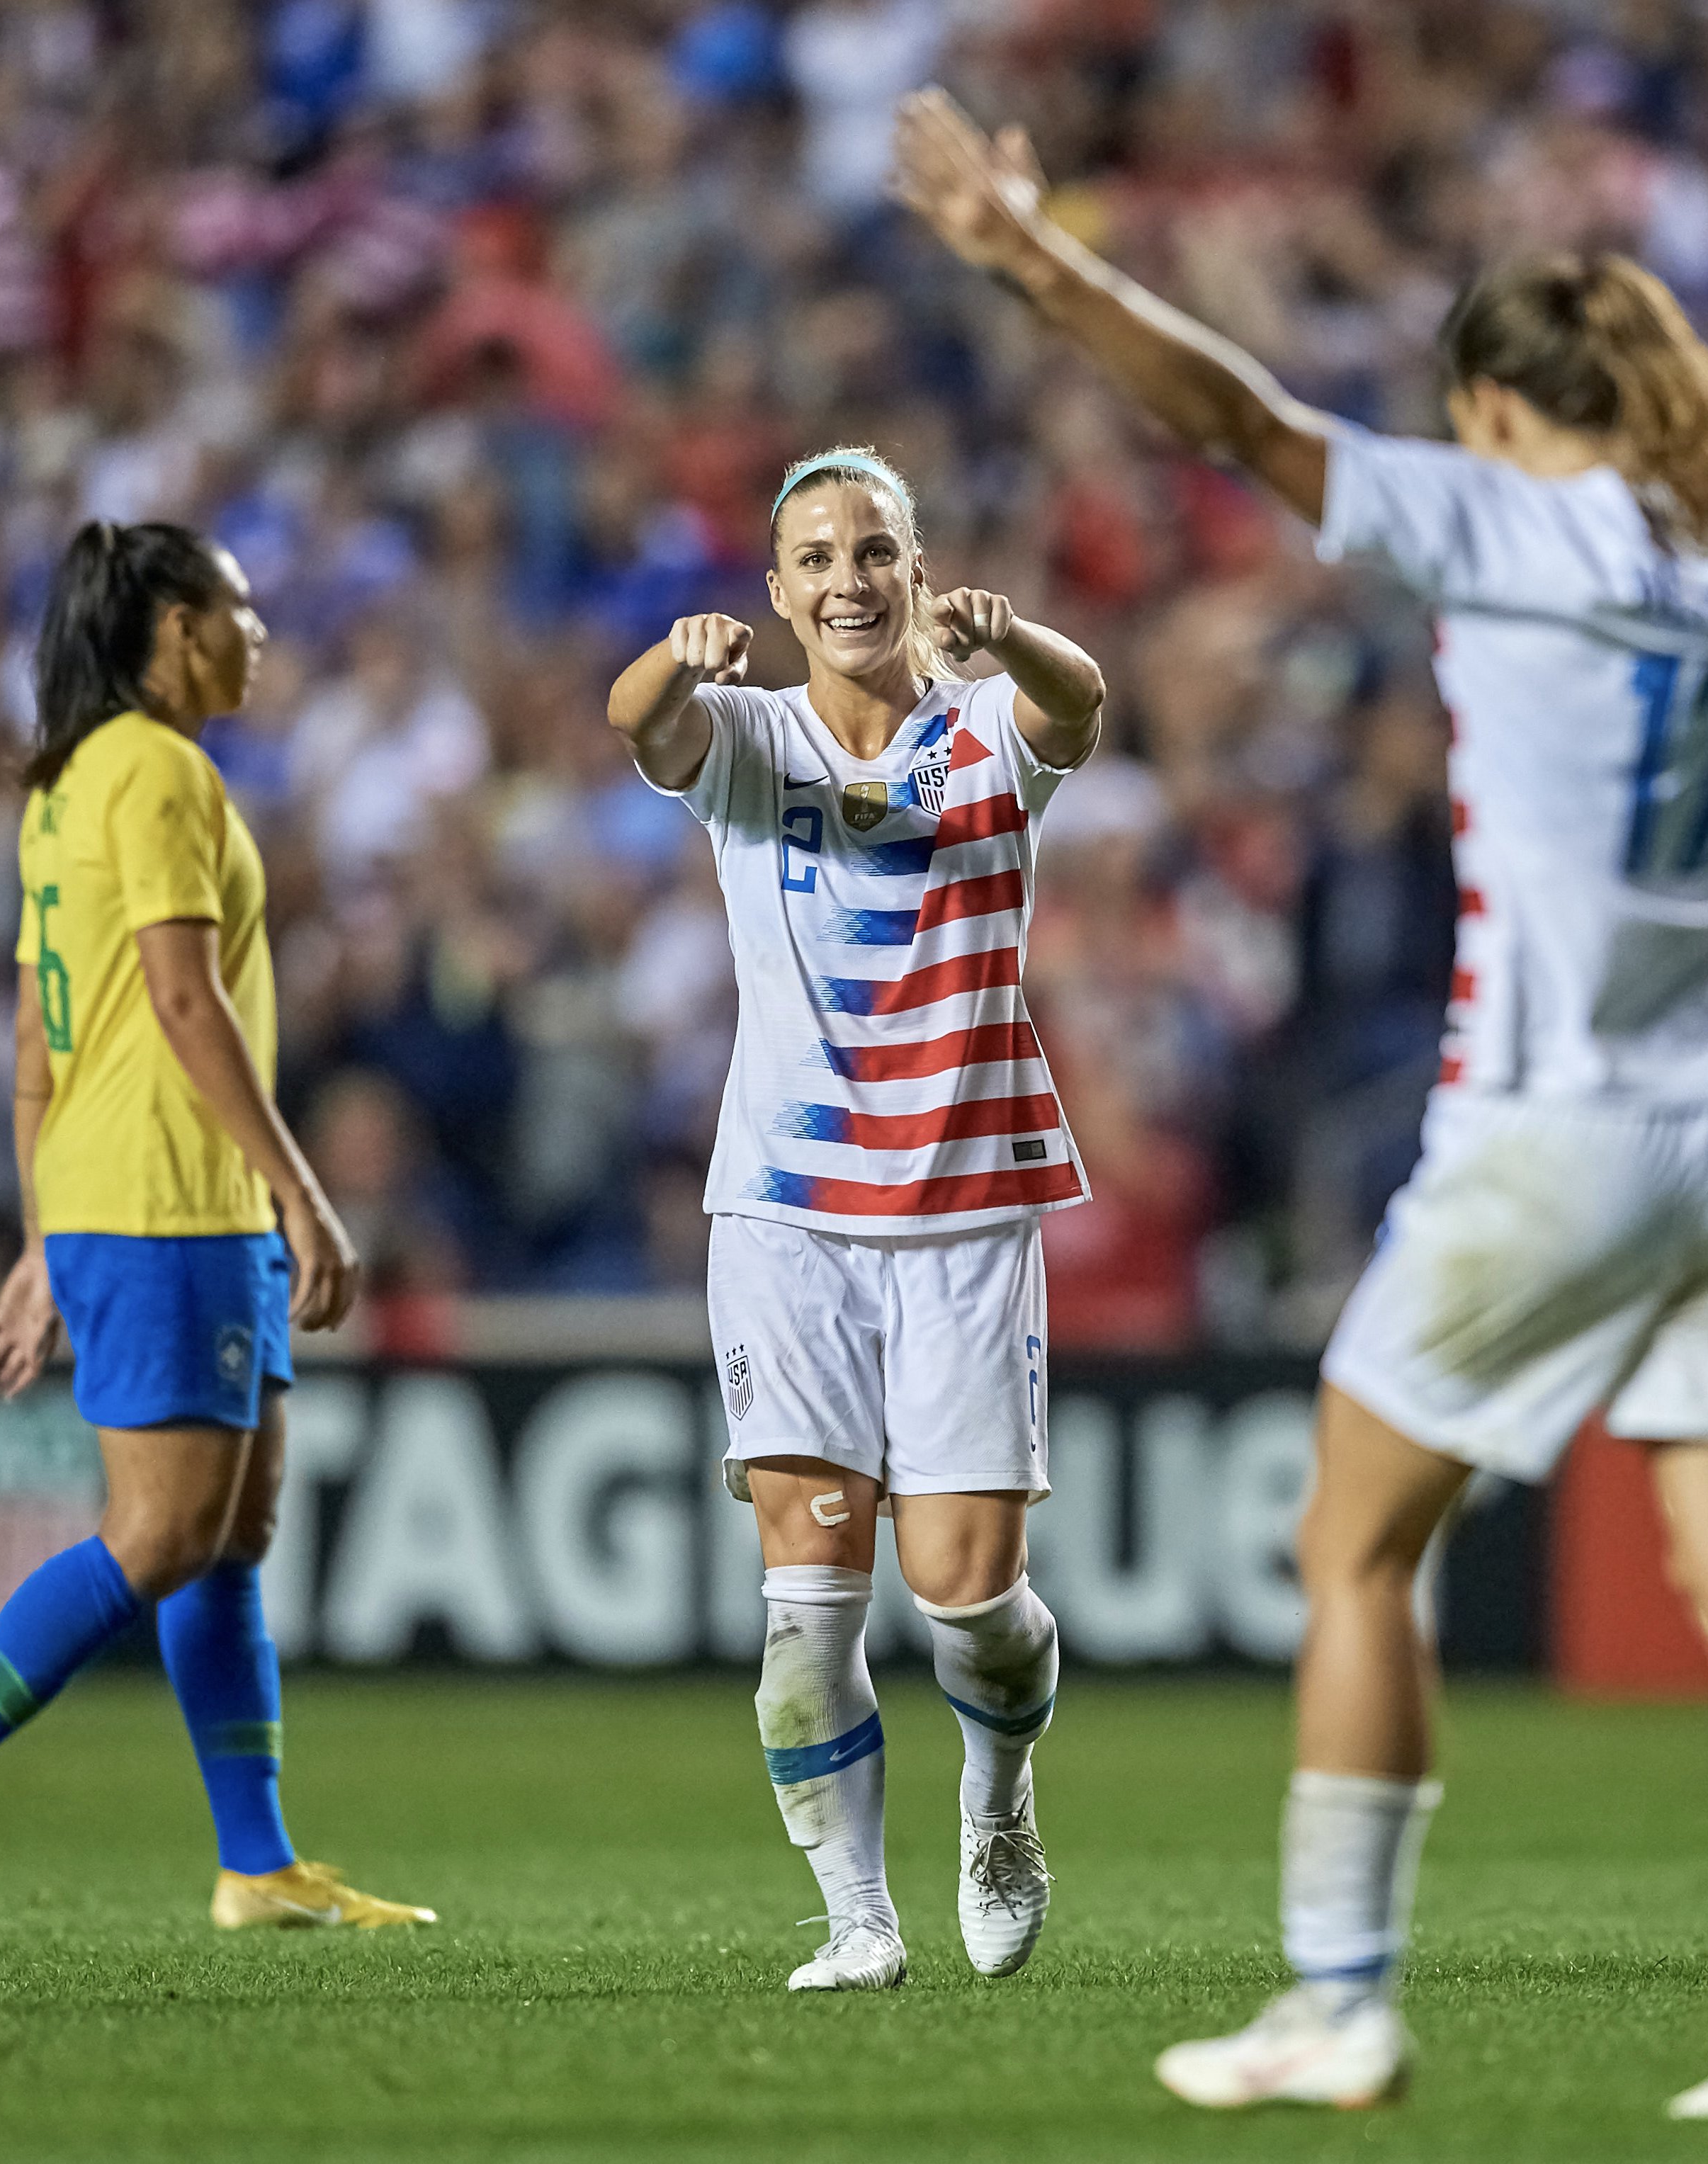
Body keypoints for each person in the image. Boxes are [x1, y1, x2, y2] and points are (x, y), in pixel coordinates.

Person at [894, 86, 1708, 2117]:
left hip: (1550, 1126)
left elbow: (1232, 415)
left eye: (1468, 410)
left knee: (1353, 1549)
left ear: (1502, 408)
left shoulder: (1493, 519)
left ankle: (1338, 1994)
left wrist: (1027, 257)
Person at [606, 446, 1103, 1991]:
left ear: (914, 563)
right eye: (815, 558)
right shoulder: (745, 737)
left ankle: (1002, 1803)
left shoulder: (981, 730)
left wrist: (1011, 636)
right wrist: (666, 661)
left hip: (961, 1212)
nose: (847, 581)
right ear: (776, 591)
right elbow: (635, 724)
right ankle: (857, 1921)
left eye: (873, 550)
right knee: (805, 1616)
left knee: (972, 1610)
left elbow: (1078, 706)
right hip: (787, 1217)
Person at [0, 520, 433, 1937]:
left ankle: (257, 1865)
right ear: (168, 625)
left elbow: (42, 1040)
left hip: (142, 1198)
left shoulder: (64, 785)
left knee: (229, 1532)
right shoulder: (154, 772)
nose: (259, 630)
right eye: (238, 605)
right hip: (170, 1198)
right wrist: (300, 1184)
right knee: (155, 1538)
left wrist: (43, 1238)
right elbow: (179, 998)